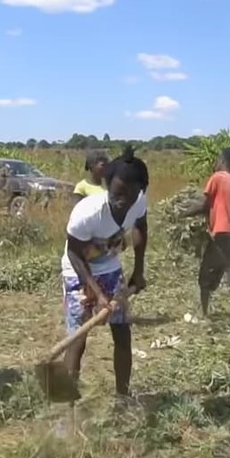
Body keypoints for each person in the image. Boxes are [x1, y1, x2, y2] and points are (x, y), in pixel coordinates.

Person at [61, 146, 148, 404]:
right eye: (116, 194)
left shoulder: (139, 202)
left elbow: (141, 228)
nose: (122, 201)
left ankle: (123, 396)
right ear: (108, 185)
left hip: (110, 269)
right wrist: (96, 293)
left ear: (139, 191)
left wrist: (139, 271)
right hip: (78, 271)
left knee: (122, 332)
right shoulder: (87, 213)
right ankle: (68, 407)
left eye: (129, 196)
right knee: (78, 337)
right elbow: (74, 253)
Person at [182, 147, 230, 339]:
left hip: (221, 235)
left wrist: (182, 212)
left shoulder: (217, 177)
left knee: (208, 275)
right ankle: (207, 315)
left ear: (222, 160)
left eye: (217, 159)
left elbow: (204, 205)